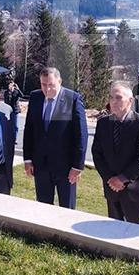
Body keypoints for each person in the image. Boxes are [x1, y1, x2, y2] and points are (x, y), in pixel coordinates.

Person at [22, 67, 88, 209]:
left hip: (66, 168)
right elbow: (29, 130)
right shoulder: (35, 97)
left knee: (67, 208)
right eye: (44, 84)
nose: (48, 89)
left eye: (51, 85)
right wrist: (27, 159)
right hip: (41, 166)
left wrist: (77, 166)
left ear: (60, 81)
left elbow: (81, 135)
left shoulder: (73, 99)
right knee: (44, 206)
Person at [91, 82, 139, 225]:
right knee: (114, 232)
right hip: (112, 190)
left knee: (138, 235)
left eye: (118, 98)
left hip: (135, 191)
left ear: (130, 101)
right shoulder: (103, 123)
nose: (113, 101)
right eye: (111, 97)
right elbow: (97, 154)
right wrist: (110, 179)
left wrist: (122, 178)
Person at [1, 80, 24, 147]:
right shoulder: (6, 92)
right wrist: (9, 92)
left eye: (11, 85)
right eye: (9, 85)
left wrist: (18, 89)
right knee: (8, 125)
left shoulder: (16, 91)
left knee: (15, 126)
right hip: (8, 111)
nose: (9, 86)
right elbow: (6, 101)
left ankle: (15, 139)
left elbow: (22, 96)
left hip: (15, 110)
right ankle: (8, 138)